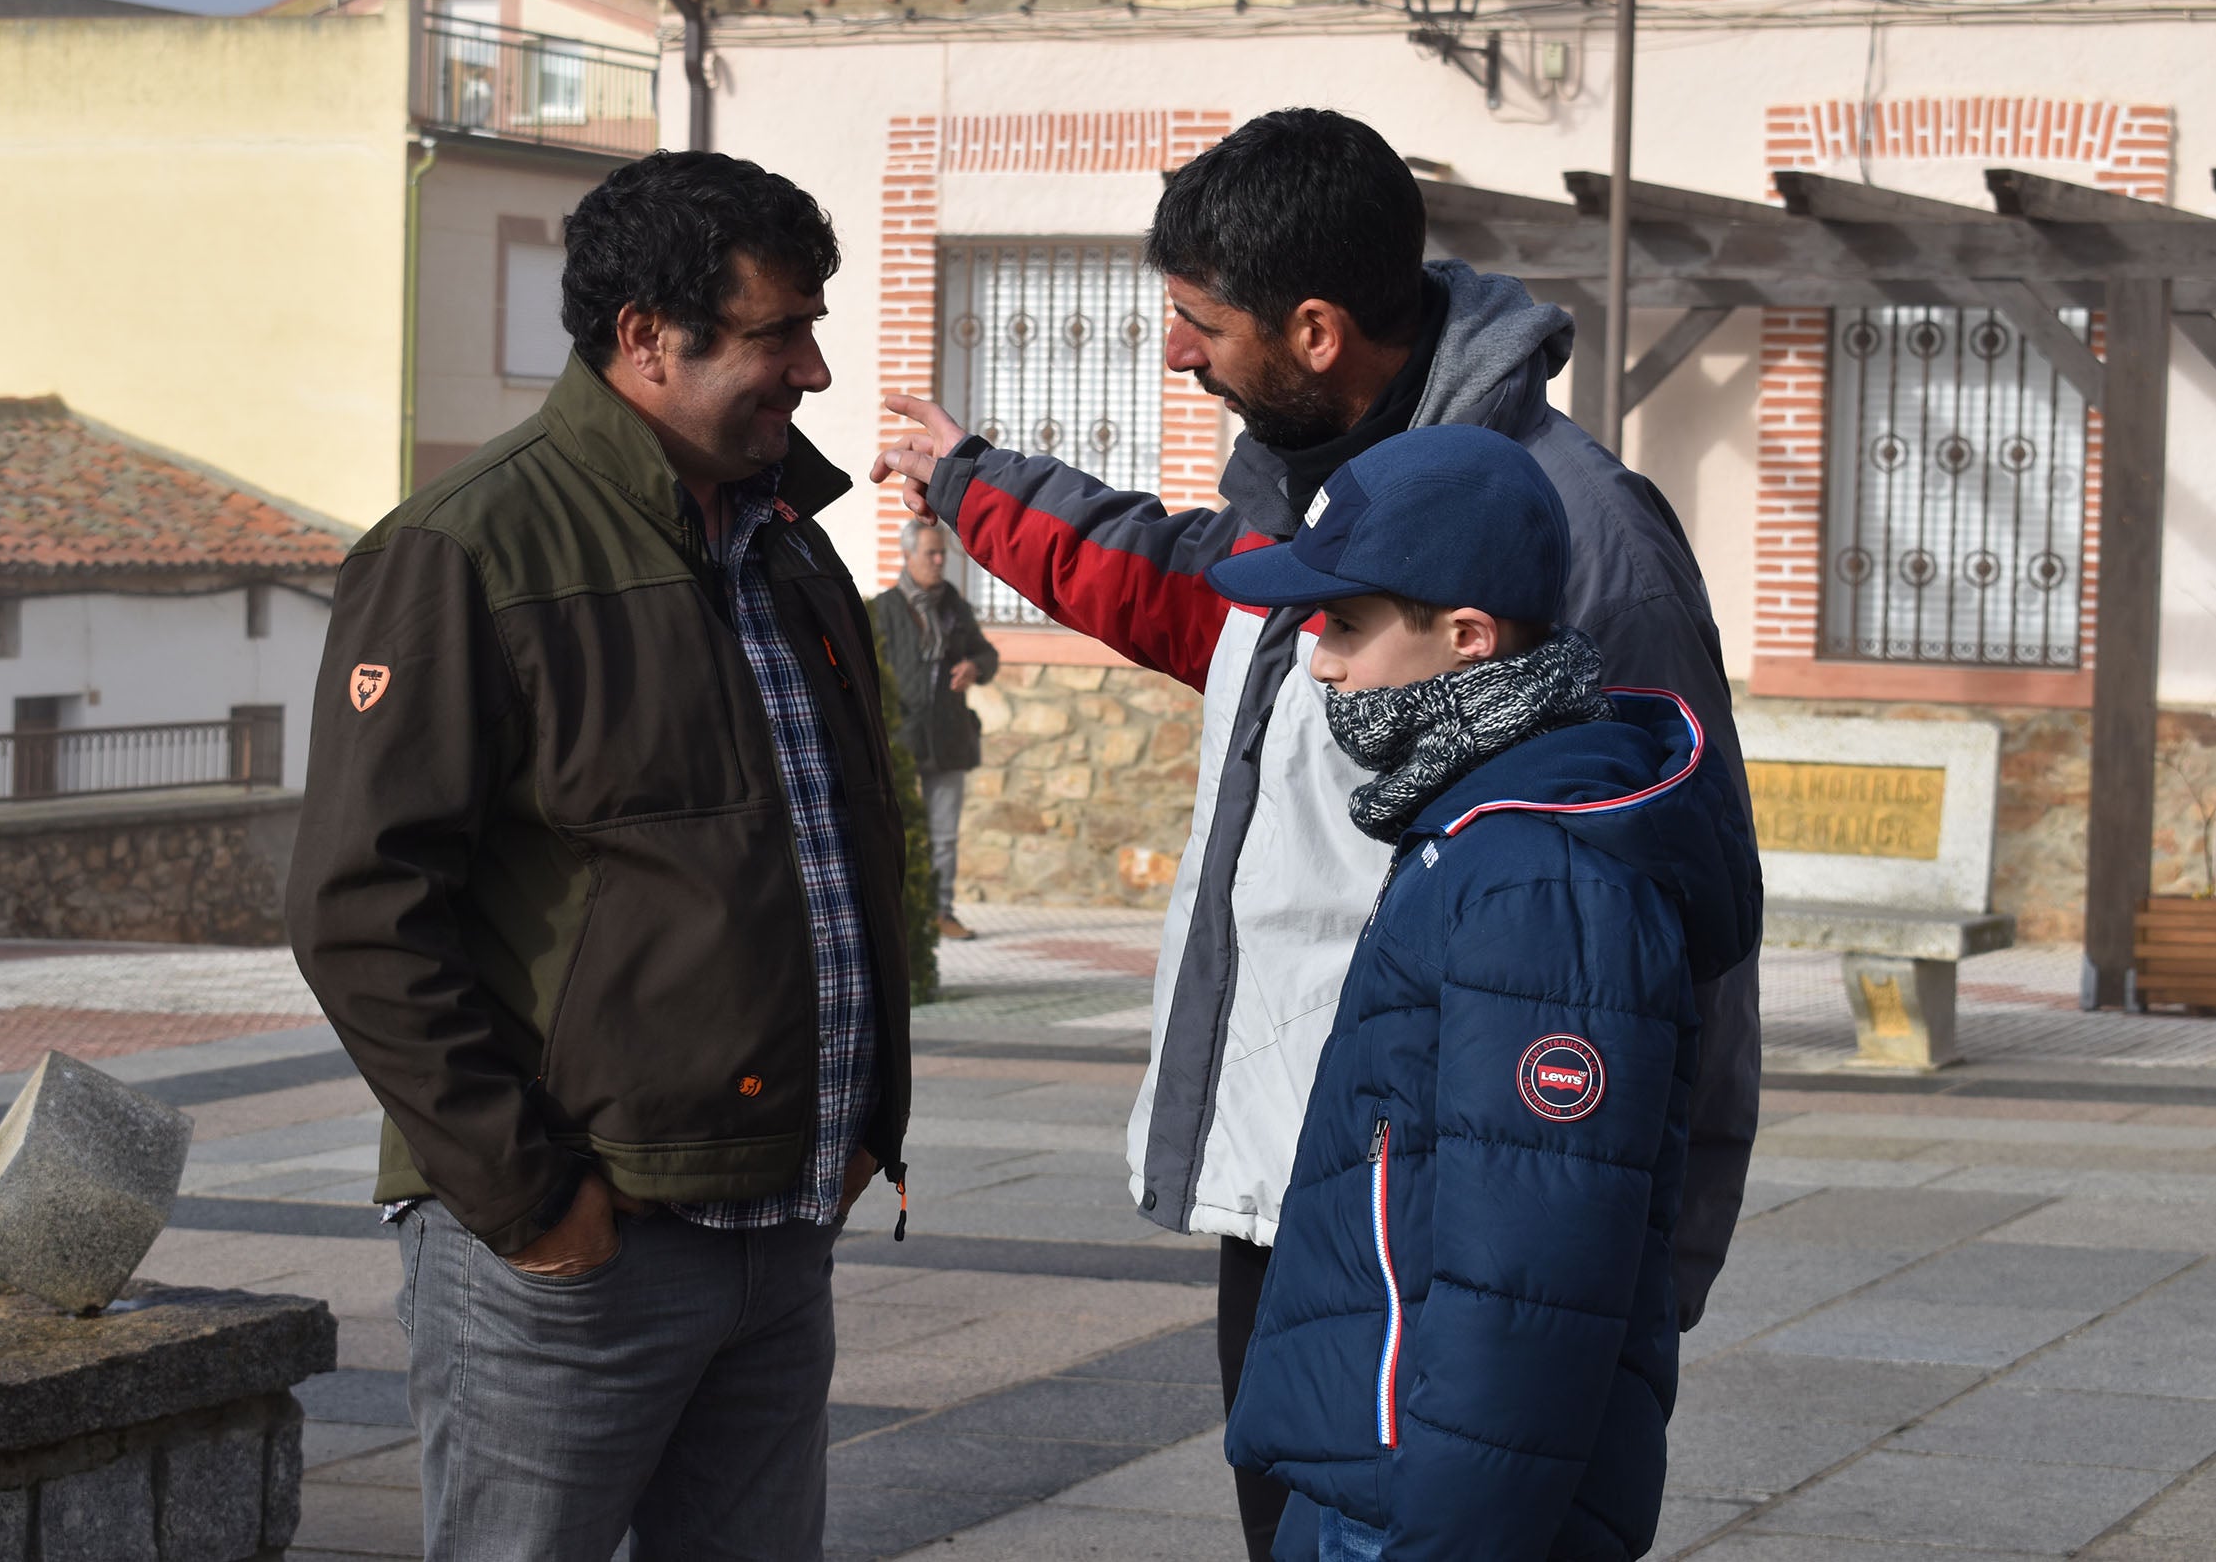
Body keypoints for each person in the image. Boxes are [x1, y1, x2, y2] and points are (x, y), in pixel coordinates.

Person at [872, 106, 1761, 1558]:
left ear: (1317, 330)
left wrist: (1650, 1265)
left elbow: (1682, 891)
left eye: (1194, 323)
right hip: (1302, 1179)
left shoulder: (1577, 531)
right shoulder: (1311, 499)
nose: (1173, 354)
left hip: (1462, 1216)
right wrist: (975, 481)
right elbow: (1170, 587)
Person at [286, 150, 911, 1562]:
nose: (813, 370)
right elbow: (358, 909)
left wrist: (863, 1113)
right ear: (645, 336)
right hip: (576, 1255)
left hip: (781, 1224)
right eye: (777, 332)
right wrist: (531, 1199)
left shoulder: (791, 548)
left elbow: (831, 848)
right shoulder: (465, 550)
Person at [1207, 424, 1759, 1562]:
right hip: (1387, 1471)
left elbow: (1531, 1281)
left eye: (1349, 625)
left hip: (1431, 1506)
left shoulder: (1540, 879)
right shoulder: (1474, 829)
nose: (1323, 663)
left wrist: (1442, 1539)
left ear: (1467, 638)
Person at [873, 519, 1000, 940]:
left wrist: (975, 667)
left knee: (943, 835)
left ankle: (941, 912)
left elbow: (987, 653)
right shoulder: (885, 609)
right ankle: (900, 915)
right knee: (902, 831)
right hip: (901, 741)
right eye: (931, 553)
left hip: (949, 737)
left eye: (943, 552)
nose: (940, 560)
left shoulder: (954, 606)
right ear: (908, 556)